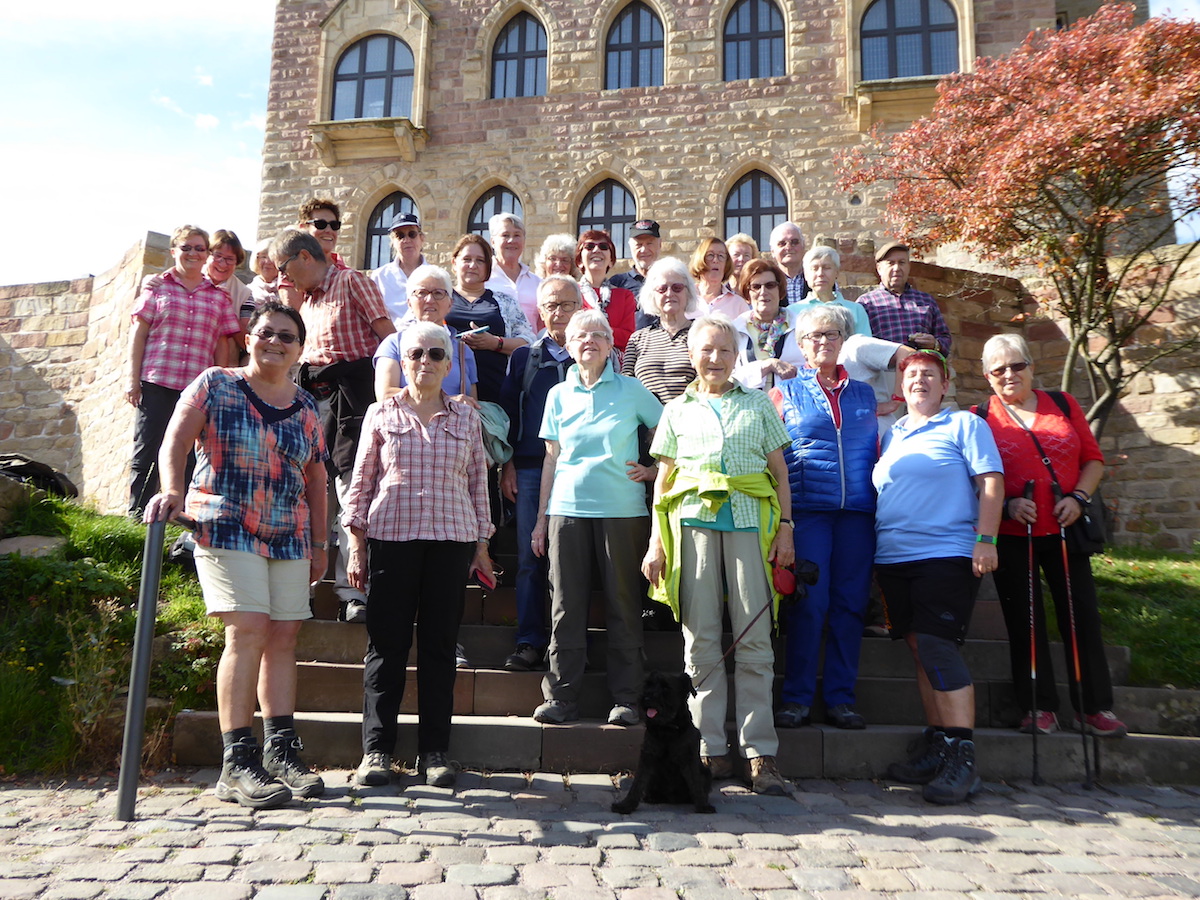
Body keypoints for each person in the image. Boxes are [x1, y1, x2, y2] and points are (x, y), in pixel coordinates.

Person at [144, 299, 328, 808]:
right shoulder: (215, 383)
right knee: (247, 628)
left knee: (284, 636)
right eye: (266, 332)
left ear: (299, 349)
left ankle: (281, 751)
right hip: (224, 522)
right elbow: (175, 440)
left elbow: (316, 478)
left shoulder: (307, 407)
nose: (275, 341)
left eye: (287, 336)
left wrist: (319, 542)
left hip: (288, 530)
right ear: (249, 337)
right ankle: (236, 761)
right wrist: (174, 491)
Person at [643, 314, 794, 796]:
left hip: (752, 521)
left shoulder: (757, 404)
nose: (715, 358)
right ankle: (708, 750)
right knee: (700, 641)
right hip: (691, 527)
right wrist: (656, 541)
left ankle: (759, 755)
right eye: (706, 349)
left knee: (754, 639)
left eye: (725, 350)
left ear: (737, 356)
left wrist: (786, 529)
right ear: (692, 355)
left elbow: (781, 474)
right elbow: (663, 482)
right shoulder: (676, 410)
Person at [344, 322, 495, 789]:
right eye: (415, 354)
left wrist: (483, 546)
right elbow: (362, 480)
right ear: (402, 361)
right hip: (392, 538)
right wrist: (356, 543)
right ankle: (376, 752)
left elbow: (478, 484)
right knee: (385, 647)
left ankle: (434, 752)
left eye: (435, 354)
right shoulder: (380, 413)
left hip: (451, 542)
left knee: (438, 649)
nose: (424, 362)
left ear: (449, 365)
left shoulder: (467, 418)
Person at [974, 334, 1126, 737]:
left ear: (1031, 367)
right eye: (999, 369)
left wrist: (1079, 497)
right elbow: (973, 478)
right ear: (988, 376)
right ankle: (1037, 707)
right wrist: (1005, 505)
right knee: (1024, 621)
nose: (1010, 374)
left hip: (1065, 527)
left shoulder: (1063, 404)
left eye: (1017, 365)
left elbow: (1092, 460)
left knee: (1082, 618)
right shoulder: (980, 416)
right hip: (1012, 531)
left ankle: (1095, 708)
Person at [874, 350, 1004, 805]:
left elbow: (991, 480)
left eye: (930, 375)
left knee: (935, 644)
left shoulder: (965, 425)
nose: (920, 381)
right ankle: (938, 745)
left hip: (945, 553)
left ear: (945, 385)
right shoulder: (894, 434)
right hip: (893, 557)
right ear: (900, 386)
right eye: (912, 374)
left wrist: (986, 538)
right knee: (917, 647)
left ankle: (963, 757)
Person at [531, 310, 662, 727]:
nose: (588, 340)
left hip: (623, 512)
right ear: (568, 347)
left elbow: (671, 434)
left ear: (611, 345)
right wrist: (540, 520)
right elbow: (551, 460)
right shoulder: (558, 395)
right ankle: (561, 698)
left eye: (597, 335)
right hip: (566, 512)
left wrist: (656, 470)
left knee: (624, 606)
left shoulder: (632, 390)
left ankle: (626, 698)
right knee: (565, 607)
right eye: (579, 335)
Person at [270, 229, 395, 626]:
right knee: (308, 492)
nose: (284, 278)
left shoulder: (352, 280)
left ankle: (354, 591)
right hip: (312, 398)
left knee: (351, 489)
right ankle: (300, 589)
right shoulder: (305, 300)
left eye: (285, 269)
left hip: (353, 396)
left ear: (305, 257)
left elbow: (387, 338)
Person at [770, 306, 878, 731]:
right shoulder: (784, 393)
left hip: (857, 515)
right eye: (813, 336)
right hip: (808, 513)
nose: (823, 342)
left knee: (850, 606)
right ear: (800, 344)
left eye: (831, 334)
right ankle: (796, 697)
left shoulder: (866, 394)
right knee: (809, 606)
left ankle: (840, 698)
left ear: (843, 340)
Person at [126, 225, 241, 517]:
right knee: (147, 448)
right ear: (174, 251)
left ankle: (181, 517)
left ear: (206, 255)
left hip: (196, 390)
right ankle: (138, 514)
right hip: (157, 380)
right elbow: (138, 334)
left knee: (190, 453)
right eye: (186, 247)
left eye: (199, 248)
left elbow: (223, 344)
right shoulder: (157, 287)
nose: (193, 253)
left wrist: (223, 386)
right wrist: (132, 379)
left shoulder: (218, 297)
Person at [498, 277, 582, 672]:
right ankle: (530, 640)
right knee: (531, 560)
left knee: (575, 561)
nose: (558, 312)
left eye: (567, 304)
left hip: (584, 472)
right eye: (551, 305)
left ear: (580, 307)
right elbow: (509, 417)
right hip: (531, 470)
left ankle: (570, 645)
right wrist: (508, 465)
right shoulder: (522, 358)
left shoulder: (594, 354)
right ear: (540, 310)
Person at [447, 233, 534, 403]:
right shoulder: (438, 296)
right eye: (467, 259)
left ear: (489, 266)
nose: (473, 265)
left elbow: (528, 342)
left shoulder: (505, 301)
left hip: (496, 395)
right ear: (454, 263)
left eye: (480, 260)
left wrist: (495, 343)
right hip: (447, 396)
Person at [373, 265, 478, 404]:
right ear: (409, 302)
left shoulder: (463, 350)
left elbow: (472, 403)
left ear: (450, 304)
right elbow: (385, 394)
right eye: (421, 293)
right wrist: (447, 401)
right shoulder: (393, 344)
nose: (429, 300)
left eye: (438, 293)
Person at [622, 258, 699, 405]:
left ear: (688, 292)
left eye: (677, 287)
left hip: (688, 418)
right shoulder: (638, 338)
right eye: (662, 289)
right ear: (653, 295)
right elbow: (626, 383)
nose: (669, 293)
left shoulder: (701, 333)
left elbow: (706, 378)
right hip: (646, 422)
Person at [857, 241, 951, 356]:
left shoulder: (926, 300)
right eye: (891, 263)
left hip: (919, 368)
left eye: (902, 263)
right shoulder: (866, 303)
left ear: (908, 267)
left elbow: (945, 338)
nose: (897, 268)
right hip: (883, 371)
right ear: (879, 268)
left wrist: (935, 344)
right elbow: (858, 344)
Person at [732, 258, 799, 391]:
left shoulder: (801, 326)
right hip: (749, 406)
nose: (763, 292)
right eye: (756, 287)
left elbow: (811, 368)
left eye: (770, 285)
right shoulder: (734, 330)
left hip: (791, 405)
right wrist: (766, 365)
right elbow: (728, 378)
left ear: (779, 290)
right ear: (747, 293)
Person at [788, 246, 873, 338]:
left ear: (837, 272)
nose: (820, 273)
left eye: (826, 268)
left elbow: (864, 347)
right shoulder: (792, 311)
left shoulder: (856, 310)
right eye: (814, 268)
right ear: (806, 275)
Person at [575, 230, 638, 352]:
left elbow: (628, 338)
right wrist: (608, 332)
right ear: (580, 260)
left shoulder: (624, 296)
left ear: (611, 260)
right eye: (589, 246)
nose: (596, 250)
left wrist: (588, 331)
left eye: (603, 247)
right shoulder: (571, 293)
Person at [486, 212, 541, 330]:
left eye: (517, 235)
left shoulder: (537, 283)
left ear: (524, 241)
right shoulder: (484, 278)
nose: (511, 240)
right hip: (492, 346)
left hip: (532, 347)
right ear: (493, 242)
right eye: (505, 235)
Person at [370, 212, 428, 324]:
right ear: (393, 241)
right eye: (400, 236)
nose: (406, 240)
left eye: (412, 234)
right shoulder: (379, 277)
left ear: (421, 238)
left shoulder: (434, 275)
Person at [608, 219, 663, 330]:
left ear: (660, 244)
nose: (644, 249)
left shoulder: (670, 281)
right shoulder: (617, 283)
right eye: (639, 244)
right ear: (630, 246)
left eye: (649, 243)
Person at [691, 236, 749, 319]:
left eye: (721, 256)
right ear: (701, 259)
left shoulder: (738, 304)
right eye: (710, 255)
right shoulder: (686, 297)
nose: (715, 260)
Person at [297, 198, 349, 270]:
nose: (328, 230)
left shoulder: (351, 278)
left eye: (334, 225)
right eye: (320, 224)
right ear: (303, 228)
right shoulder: (290, 272)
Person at [769, 222, 808, 306]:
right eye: (782, 243)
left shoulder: (818, 278)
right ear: (772, 251)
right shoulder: (767, 282)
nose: (789, 247)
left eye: (794, 242)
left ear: (803, 246)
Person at [248, 238, 279, 310]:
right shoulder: (247, 291)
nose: (268, 262)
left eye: (273, 257)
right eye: (263, 257)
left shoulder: (290, 289)